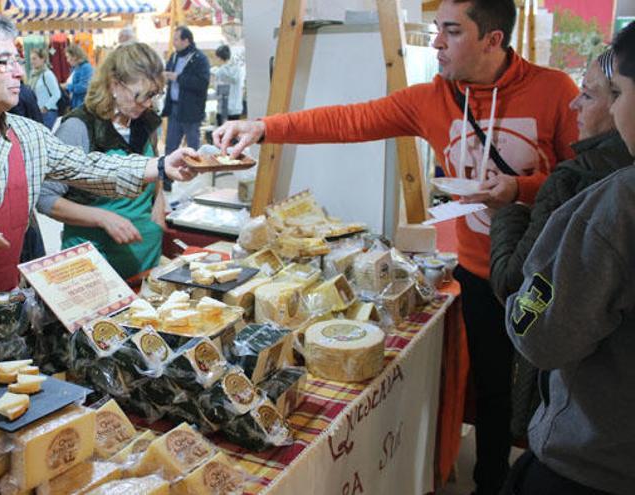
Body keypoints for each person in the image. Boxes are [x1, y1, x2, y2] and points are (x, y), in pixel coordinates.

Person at [214, 1, 579, 493]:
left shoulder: (554, 90)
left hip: (547, 273)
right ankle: (491, 481)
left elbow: (584, 180)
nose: (436, 43)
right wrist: (265, 128)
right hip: (477, 269)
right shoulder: (433, 97)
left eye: (451, 32)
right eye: (436, 30)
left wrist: (522, 190)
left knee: (552, 387)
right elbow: (351, 121)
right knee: (491, 387)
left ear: (493, 40)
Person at [0, 12, 197, 320]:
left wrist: (162, 165)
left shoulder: (29, 134)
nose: (19, 72)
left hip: (9, 308)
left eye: (18, 61)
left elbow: (89, 168)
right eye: (5, 62)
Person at [500, 22, 635, 495]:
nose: (614, 108)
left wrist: (508, 213)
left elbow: (541, 335)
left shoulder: (613, 207)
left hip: (596, 462)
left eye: (614, 91)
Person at [37, 43, 167, 280]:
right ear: (114, 84)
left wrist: (160, 200)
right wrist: (103, 218)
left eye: (154, 95)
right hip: (94, 260)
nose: (148, 104)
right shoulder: (78, 127)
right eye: (142, 95)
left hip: (146, 255)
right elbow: (45, 198)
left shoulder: (144, 121)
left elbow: (153, 168)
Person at [162, 26, 210, 153]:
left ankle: (192, 171)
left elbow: (202, 83)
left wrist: (178, 78)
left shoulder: (199, 59)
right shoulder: (173, 57)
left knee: (192, 147)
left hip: (191, 110)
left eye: (176, 39)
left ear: (186, 41)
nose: (174, 42)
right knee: (170, 146)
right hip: (174, 108)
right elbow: (168, 73)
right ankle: (168, 171)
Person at [212, 44, 245, 125]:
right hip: (236, 108)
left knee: (224, 135)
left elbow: (218, 91)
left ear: (219, 57)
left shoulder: (219, 72)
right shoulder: (238, 70)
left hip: (224, 109)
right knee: (235, 134)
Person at [29, 47, 62, 128]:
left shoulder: (47, 74)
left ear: (42, 59)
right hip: (37, 114)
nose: (32, 62)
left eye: (34, 59)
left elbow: (57, 94)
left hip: (48, 114)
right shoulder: (33, 75)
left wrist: (46, 107)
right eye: (31, 59)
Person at [63, 44, 93, 110]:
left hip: (83, 105)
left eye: (68, 57)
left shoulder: (86, 67)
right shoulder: (75, 68)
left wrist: (67, 86)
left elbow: (83, 87)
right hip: (76, 105)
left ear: (75, 56)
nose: (67, 60)